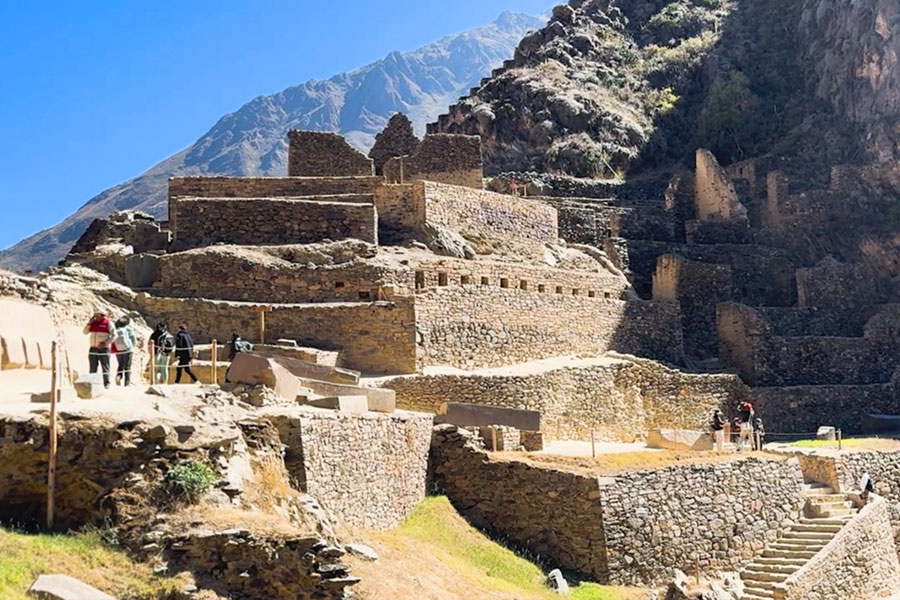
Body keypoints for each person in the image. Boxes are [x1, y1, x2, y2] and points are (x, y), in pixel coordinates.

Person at [83, 309, 116, 389]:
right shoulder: (93, 323)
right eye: (95, 315)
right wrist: (89, 324)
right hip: (93, 348)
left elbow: (114, 335)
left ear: (102, 315)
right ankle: (92, 383)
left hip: (103, 349)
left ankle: (106, 383)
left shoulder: (108, 323)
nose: (96, 317)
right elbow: (85, 332)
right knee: (92, 367)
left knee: (105, 367)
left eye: (98, 315)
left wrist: (105, 343)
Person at [111, 316, 136, 386]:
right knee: (127, 367)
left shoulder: (115, 328)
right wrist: (132, 347)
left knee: (120, 365)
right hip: (128, 350)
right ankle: (127, 383)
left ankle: (119, 376)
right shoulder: (128, 329)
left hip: (118, 349)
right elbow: (133, 339)